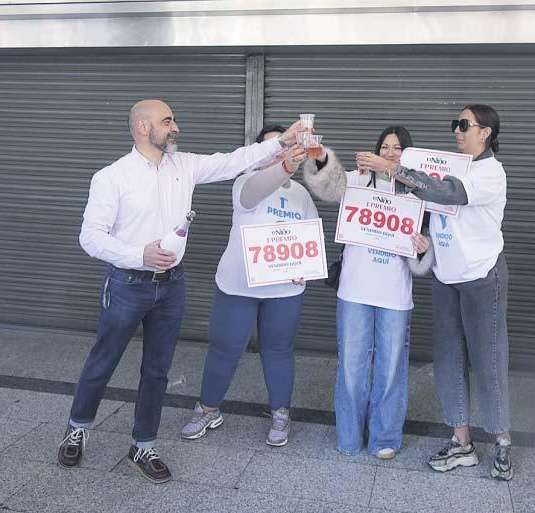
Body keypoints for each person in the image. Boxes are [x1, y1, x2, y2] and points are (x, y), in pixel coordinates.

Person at [57, 99, 306, 484]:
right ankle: (77, 427)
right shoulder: (112, 177)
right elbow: (90, 237)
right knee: (103, 361)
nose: (175, 127)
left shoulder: (185, 165)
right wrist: (138, 254)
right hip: (126, 284)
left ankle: (144, 446)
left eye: (174, 119)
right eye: (167, 121)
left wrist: (282, 142)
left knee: (157, 370)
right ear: (143, 127)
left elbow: (235, 160)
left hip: (171, 286)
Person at [362, 104, 513, 481]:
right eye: (455, 125)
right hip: (445, 275)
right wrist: (426, 241)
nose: (457, 131)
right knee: (448, 360)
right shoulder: (452, 164)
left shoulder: (490, 172)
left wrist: (393, 169)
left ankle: (502, 441)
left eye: (464, 125)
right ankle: (462, 442)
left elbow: (450, 194)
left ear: (486, 133)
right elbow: (434, 211)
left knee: (488, 359)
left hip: (481, 275)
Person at [179, 126, 315, 447]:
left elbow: (310, 233)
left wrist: (306, 268)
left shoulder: (300, 192)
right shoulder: (245, 182)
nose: (277, 153)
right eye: (271, 148)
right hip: (238, 286)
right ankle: (208, 409)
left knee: (279, 350)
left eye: (282, 147)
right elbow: (255, 192)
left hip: (284, 290)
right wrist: (284, 165)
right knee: (225, 349)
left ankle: (280, 412)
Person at [302, 126, 432, 459]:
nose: (390, 153)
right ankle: (348, 436)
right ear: (375, 151)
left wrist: (423, 248)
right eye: (385, 147)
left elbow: (425, 250)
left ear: (408, 155)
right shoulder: (357, 181)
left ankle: (384, 437)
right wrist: (322, 158)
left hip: (395, 296)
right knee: (351, 368)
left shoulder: (417, 193)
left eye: (398, 148)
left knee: (390, 370)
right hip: (354, 292)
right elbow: (328, 185)